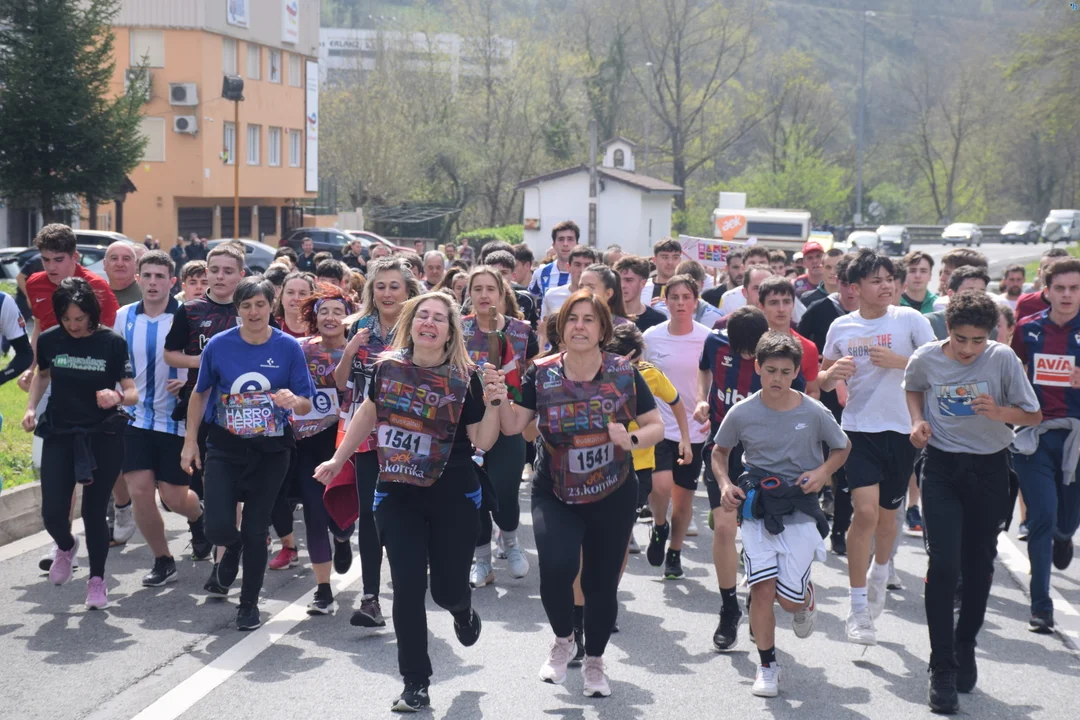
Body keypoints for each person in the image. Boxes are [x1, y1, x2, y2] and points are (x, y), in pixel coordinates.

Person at [316, 292, 501, 712]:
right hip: (397, 491)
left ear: (450, 331)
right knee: (407, 587)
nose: (429, 323)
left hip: (453, 492)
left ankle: (462, 610)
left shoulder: (466, 377)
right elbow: (368, 412)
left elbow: (483, 441)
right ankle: (415, 681)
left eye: (439, 318)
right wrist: (338, 459)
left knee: (447, 590)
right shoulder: (387, 367)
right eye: (422, 315)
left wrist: (494, 403)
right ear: (410, 324)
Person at [495, 290, 665, 698]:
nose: (580, 326)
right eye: (572, 318)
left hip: (613, 491)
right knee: (557, 567)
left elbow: (656, 425)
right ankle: (563, 639)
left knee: (600, 583)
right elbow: (514, 426)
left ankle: (595, 662)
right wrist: (499, 398)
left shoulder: (623, 372)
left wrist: (631, 439)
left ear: (603, 329)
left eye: (589, 319)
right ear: (561, 327)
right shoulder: (541, 373)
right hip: (555, 489)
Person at [905, 290, 1041, 713]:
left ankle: (965, 644)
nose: (968, 349)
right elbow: (914, 387)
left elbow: (1033, 414)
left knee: (979, 567)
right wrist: (917, 421)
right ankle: (942, 666)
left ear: (992, 335)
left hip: (989, 470)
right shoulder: (927, 357)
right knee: (944, 565)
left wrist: (1000, 412)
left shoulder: (1002, 359)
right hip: (942, 467)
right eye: (960, 338)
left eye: (978, 340)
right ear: (948, 329)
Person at [712, 331, 850, 698]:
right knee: (762, 589)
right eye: (771, 370)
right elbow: (719, 451)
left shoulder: (813, 411)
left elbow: (842, 446)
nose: (778, 378)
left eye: (786, 372)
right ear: (757, 367)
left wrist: (822, 473)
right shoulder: (743, 411)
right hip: (758, 506)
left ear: (796, 373)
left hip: (800, 506)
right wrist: (725, 484)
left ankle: (805, 597)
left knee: (789, 602)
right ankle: (767, 666)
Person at [180, 277, 314, 630]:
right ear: (236, 309)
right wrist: (190, 442)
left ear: (271, 306)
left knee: (256, 528)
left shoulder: (288, 347)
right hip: (225, 445)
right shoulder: (219, 345)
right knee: (217, 527)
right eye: (246, 306)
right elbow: (200, 393)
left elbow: (305, 402)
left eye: (260, 304)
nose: (253, 312)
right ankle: (232, 547)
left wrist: (292, 400)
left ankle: (248, 604)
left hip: (271, 450)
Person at [818, 249, 935, 645]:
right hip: (858, 430)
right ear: (855, 287)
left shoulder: (911, 320)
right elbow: (822, 378)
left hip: (902, 432)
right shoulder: (841, 326)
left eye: (889, 279)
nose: (886, 286)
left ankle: (880, 573)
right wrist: (833, 374)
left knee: (888, 520)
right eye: (876, 280)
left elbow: (938, 366)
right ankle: (857, 609)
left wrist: (901, 362)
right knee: (864, 513)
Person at [696, 306, 808, 651]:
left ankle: (758, 598)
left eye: (751, 352)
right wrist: (702, 398)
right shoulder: (714, 343)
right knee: (724, 528)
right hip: (722, 449)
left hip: (766, 459)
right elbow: (703, 369)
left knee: (759, 534)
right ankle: (729, 607)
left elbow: (801, 402)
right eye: (740, 350)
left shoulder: (778, 361)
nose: (746, 357)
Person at [23, 277, 137, 609]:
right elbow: (43, 375)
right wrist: (30, 408)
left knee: (93, 511)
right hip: (60, 432)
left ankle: (96, 581)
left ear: (92, 314)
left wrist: (116, 395)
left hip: (102, 435)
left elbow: (132, 392)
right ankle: (66, 545)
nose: (73, 325)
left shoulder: (112, 343)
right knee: (52, 513)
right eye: (66, 319)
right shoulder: (50, 339)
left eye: (80, 319)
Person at [331, 256, 424, 627]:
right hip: (367, 435)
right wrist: (349, 350)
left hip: (413, 436)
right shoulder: (359, 327)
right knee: (370, 514)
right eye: (380, 286)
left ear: (408, 290)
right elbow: (341, 383)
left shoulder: (422, 325)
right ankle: (371, 598)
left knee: (407, 515)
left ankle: (409, 589)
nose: (387, 293)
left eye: (394, 286)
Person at [21, 224, 122, 567]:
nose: (51, 267)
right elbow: (39, 327)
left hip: (93, 380)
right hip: (54, 375)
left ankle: (119, 506)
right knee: (58, 464)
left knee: (98, 464)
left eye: (59, 259)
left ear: (75, 257)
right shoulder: (35, 283)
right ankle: (62, 543)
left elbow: (106, 338)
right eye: (45, 259)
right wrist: (33, 366)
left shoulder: (96, 289)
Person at [115, 251, 211, 587]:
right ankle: (163, 560)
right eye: (147, 276)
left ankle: (198, 518)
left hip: (177, 420)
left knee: (173, 497)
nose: (153, 282)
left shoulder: (189, 315)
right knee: (140, 490)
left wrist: (187, 382)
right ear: (138, 279)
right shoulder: (124, 316)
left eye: (160, 277)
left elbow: (205, 360)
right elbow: (114, 360)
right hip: (135, 418)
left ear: (171, 282)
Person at [164, 243, 246, 586]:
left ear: (241, 274)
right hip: (200, 408)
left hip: (242, 412)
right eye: (215, 270)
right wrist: (203, 361)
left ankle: (222, 564)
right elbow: (170, 354)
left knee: (230, 490)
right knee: (207, 488)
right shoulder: (191, 310)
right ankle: (214, 536)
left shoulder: (250, 306)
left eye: (228, 271)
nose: (220, 277)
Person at [1010, 257, 1080, 635]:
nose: (1067, 295)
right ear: (1047, 291)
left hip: (1077, 439)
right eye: (1060, 288)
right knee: (1041, 518)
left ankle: (1065, 536)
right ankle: (1041, 606)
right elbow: (1012, 374)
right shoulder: (1027, 329)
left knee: (1065, 522)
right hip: (1035, 436)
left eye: (1075, 288)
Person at [461, 266, 539, 587]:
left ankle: (511, 542)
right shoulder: (457, 328)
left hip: (509, 420)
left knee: (505, 491)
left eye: (490, 289)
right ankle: (482, 560)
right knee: (475, 493)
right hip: (469, 424)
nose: (484, 295)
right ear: (469, 294)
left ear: (502, 293)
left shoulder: (521, 331)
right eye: (477, 289)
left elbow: (531, 375)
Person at [289, 286, 358, 614]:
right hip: (307, 443)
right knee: (314, 513)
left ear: (349, 317)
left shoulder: (359, 351)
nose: (330, 317)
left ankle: (343, 539)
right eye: (324, 311)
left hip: (345, 442)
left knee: (340, 517)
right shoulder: (300, 349)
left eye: (337, 312)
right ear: (314, 317)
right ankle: (323, 590)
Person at [643, 275, 709, 578]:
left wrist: (708, 410)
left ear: (695, 301)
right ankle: (659, 525)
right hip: (658, 425)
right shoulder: (651, 337)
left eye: (686, 297)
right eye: (674, 297)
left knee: (683, 501)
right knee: (660, 486)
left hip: (693, 429)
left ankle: (675, 552)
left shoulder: (708, 338)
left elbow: (713, 380)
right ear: (665, 301)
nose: (680, 303)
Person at [797, 254, 859, 556]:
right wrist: (822, 369)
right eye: (844, 282)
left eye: (855, 284)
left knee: (846, 471)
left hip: (858, 407)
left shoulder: (876, 318)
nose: (849, 290)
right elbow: (800, 348)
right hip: (824, 401)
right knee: (817, 462)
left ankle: (839, 531)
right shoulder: (821, 310)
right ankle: (810, 525)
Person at [757, 277, 820, 398]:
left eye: (786, 302)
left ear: (793, 304)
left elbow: (813, 391)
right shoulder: (752, 341)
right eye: (773, 303)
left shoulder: (808, 348)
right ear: (762, 306)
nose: (781, 309)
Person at [925, 266, 995, 340]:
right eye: (970, 290)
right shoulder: (930, 322)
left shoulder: (991, 328)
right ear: (951, 294)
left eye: (982, 292)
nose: (977, 296)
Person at [653, 260, 725, 327]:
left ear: (702, 284)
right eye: (682, 286)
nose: (689, 291)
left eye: (694, 287)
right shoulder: (659, 311)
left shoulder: (715, 316)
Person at [540, 245, 600, 323]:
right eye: (577, 265)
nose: (582, 270)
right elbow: (544, 326)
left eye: (587, 265)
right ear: (568, 267)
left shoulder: (599, 297)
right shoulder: (551, 295)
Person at [613, 255, 667, 333]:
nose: (622, 285)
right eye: (618, 280)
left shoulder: (658, 320)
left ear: (643, 283)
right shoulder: (606, 317)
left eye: (629, 280)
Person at [1015, 248, 1070, 321]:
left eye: (1059, 268)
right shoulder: (1025, 303)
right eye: (1047, 268)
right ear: (1039, 273)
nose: (1052, 273)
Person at [529, 220, 578, 300]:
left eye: (570, 239)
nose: (565, 244)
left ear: (577, 244)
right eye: (561, 239)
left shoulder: (585, 274)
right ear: (554, 245)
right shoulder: (540, 273)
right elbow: (532, 300)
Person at [718, 246, 771, 315]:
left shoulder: (780, 295)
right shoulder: (728, 298)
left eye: (762, 263)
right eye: (752, 263)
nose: (757, 266)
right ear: (743, 267)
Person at [274, 272, 315, 340]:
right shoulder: (270, 329)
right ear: (281, 297)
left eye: (302, 293)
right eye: (290, 292)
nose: (296, 298)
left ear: (312, 298)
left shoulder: (320, 330)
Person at [641, 236, 684, 302]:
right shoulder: (642, 287)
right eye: (665, 257)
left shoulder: (688, 289)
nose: (670, 262)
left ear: (680, 260)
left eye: (675, 258)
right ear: (654, 260)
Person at [105, 242, 143, 306]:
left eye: (126, 259)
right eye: (114, 258)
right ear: (105, 264)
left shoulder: (147, 297)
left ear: (136, 265)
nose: (120, 264)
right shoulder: (96, 295)